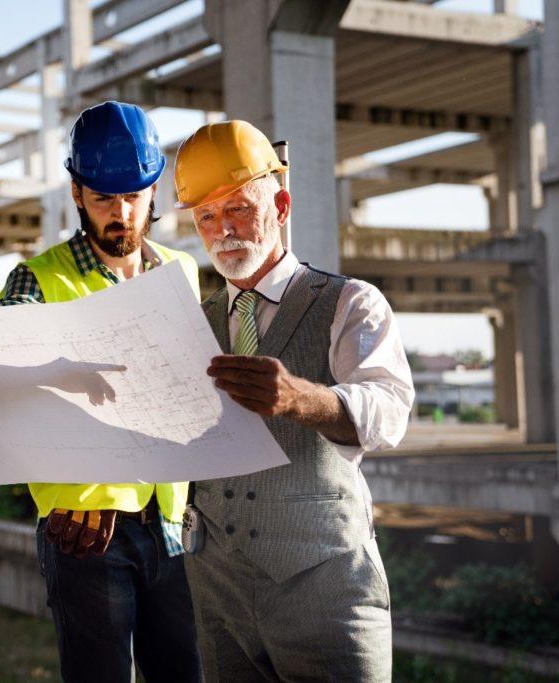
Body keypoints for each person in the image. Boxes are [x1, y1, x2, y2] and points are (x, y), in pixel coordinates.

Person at [0, 101, 203, 683]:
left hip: (173, 525)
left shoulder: (182, 271)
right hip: (86, 527)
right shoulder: (37, 279)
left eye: (134, 198)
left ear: (154, 191)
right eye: (103, 200)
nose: (121, 215)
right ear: (77, 193)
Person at [174, 119, 415, 682]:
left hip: (325, 588)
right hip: (218, 592)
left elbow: (390, 409)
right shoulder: (190, 322)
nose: (222, 230)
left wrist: (302, 399)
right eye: (206, 217)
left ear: (280, 204)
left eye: (238, 208)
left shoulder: (351, 302)